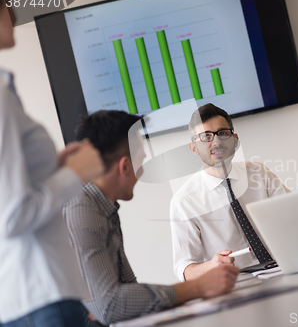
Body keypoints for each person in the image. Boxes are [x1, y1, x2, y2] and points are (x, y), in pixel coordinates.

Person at [63, 110, 239, 327]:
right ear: (124, 166)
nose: (143, 171)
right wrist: (198, 287)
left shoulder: (103, 207)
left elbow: (127, 290)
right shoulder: (80, 210)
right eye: (141, 162)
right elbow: (111, 306)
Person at [170, 103, 298, 281]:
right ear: (193, 148)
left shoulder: (258, 173)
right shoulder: (184, 201)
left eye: (223, 133)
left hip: (285, 271)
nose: (216, 142)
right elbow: (184, 268)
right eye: (205, 137)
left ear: (235, 140)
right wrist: (211, 266)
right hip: (235, 284)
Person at [0, 0, 106, 326]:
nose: (12, 11)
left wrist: (53, 167)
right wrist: (73, 175)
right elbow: (11, 215)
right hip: (42, 292)